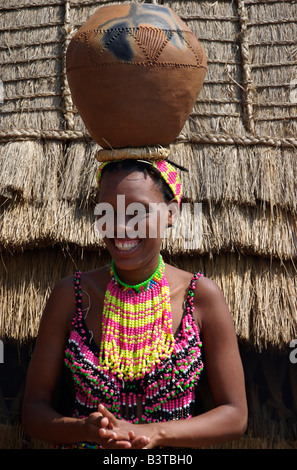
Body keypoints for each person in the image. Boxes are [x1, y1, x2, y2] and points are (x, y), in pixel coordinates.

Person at [22, 158, 248, 449]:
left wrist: (154, 433)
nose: (120, 226)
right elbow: (33, 412)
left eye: (137, 212)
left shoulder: (200, 296)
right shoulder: (73, 295)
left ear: (171, 214)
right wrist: (85, 430)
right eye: (107, 211)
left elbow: (235, 415)